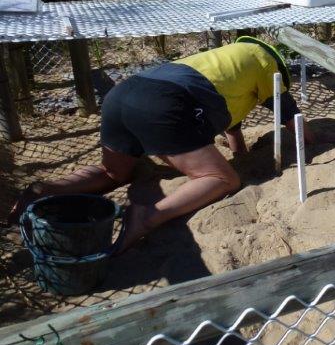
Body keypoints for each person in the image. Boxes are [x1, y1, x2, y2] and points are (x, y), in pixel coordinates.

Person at [10, 36, 309, 251]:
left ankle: (45, 190)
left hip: (121, 95)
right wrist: (314, 139)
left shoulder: (225, 60)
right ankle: (148, 216)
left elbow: (233, 120)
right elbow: (291, 117)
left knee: (113, 173)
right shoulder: (266, 64)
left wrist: (240, 152)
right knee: (224, 179)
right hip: (162, 105)